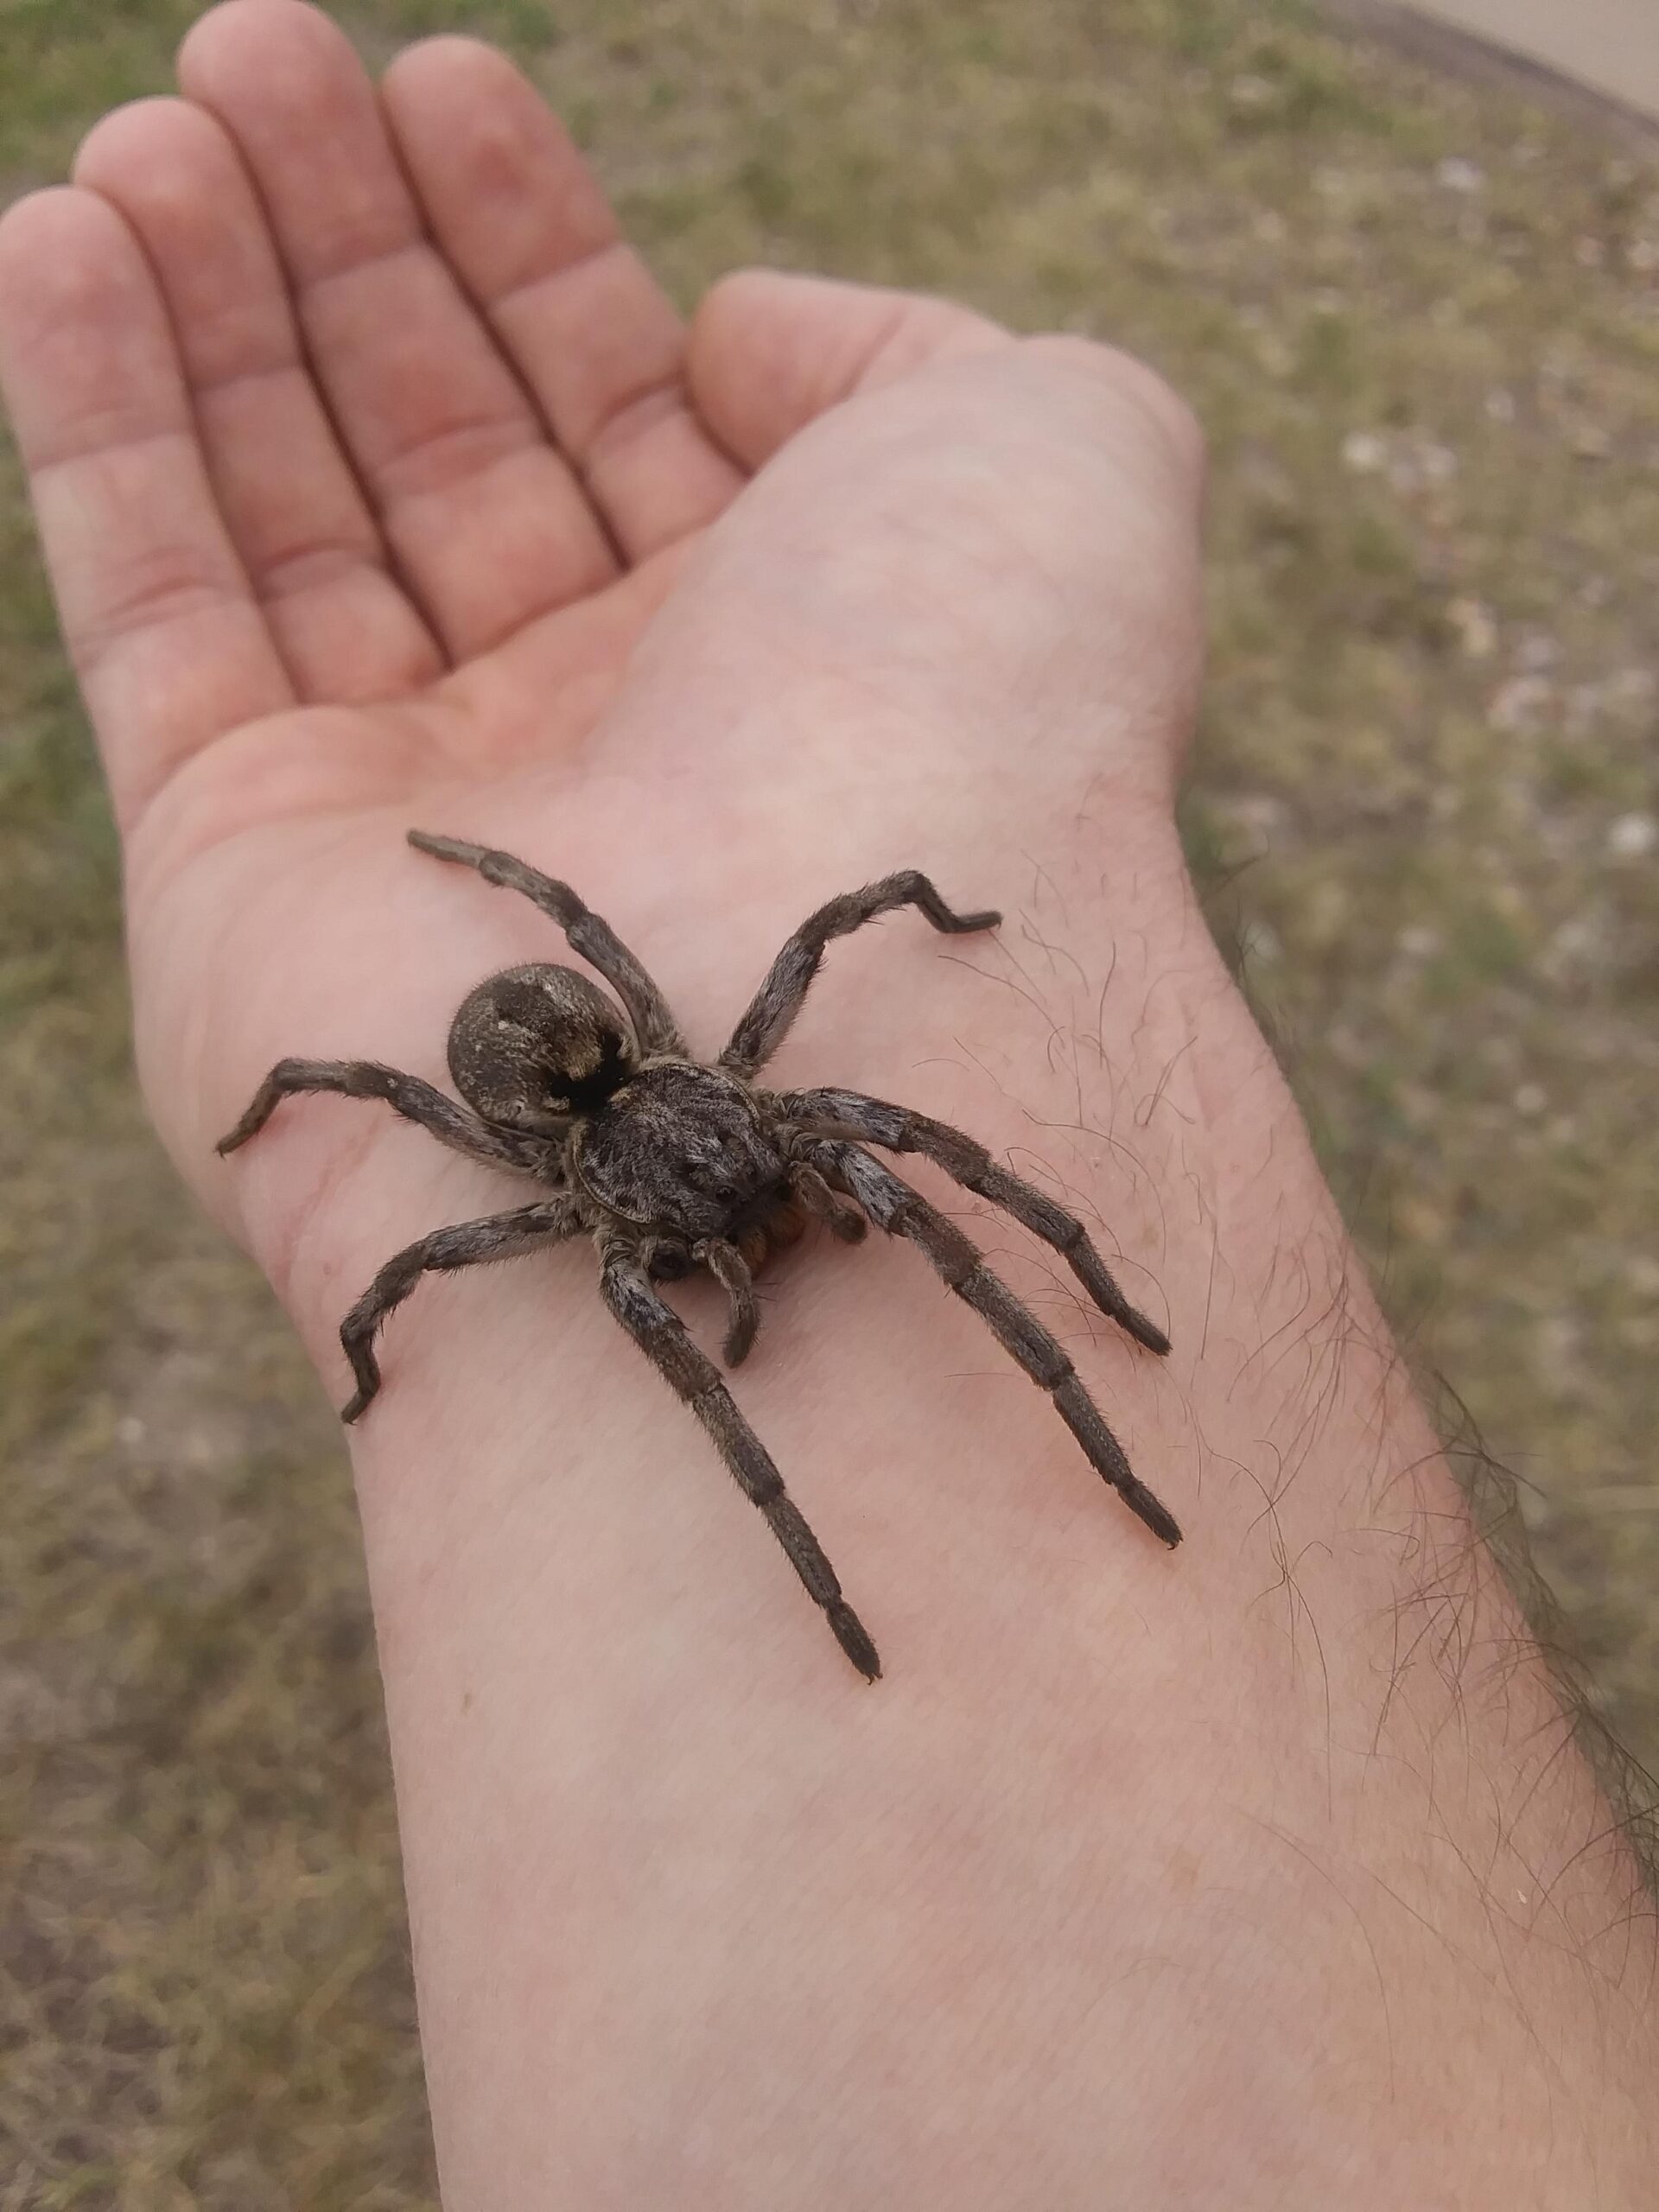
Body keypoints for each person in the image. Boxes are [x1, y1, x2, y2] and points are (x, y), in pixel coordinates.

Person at [0, 3, 1651, 2202]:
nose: (733, 1219)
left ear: (724, 1102)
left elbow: (879, 915)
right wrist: (381, 1304)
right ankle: (864, 1563)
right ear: (623, 1175)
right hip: (556, 1069)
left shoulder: (762, 1097)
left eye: (741, 1186)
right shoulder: (567, 1199)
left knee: (958, 1179)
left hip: (614, 1050)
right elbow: (393, 1198)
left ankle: (1102, 1387)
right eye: (703, 1214)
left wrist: (1094, 1270)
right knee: (591, 1285)